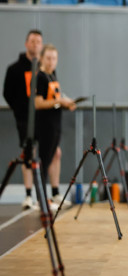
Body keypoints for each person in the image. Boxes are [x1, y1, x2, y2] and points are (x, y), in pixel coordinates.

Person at [3, 29, 42, 209]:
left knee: (51, 152)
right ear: (26, 43)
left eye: (38, 42)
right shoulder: (14, 69)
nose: (35, 44)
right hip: (24, 118)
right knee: (29, 152)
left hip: (44, 117)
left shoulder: (43, 68)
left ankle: (53, 194)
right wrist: (20, 109)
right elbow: (7, 93)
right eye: (32, 41)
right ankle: (28, 195)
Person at [34, 44, 76, 208]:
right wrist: (59, 101)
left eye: (54, 58)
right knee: (44, 161)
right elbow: (38, 103)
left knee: (54, 156)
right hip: (45, 125)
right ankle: (42, 199)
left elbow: (55, 98)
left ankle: (53, 194)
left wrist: (66, 104)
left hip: (55, 123)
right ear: (42, 59)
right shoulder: (41, 77)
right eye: (48, 58)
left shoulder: (52, 75)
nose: (51, 62)